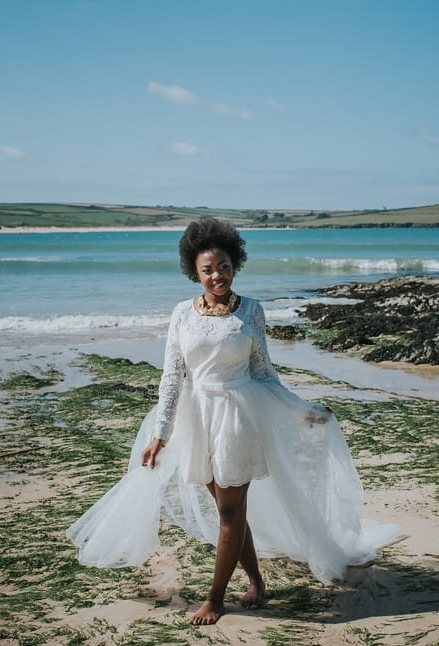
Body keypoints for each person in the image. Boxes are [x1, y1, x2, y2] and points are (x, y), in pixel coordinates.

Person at [67, 218, 401, 625]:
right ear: (195, 272)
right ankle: (257, 582)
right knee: (232, 511)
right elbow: (172, 377)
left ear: (235, 264)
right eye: (207, 269)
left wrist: (300, 409)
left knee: (228, 513)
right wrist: (160, 435)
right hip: (196, 418)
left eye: (223, 266)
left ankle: (215, 598)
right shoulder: (180, 314)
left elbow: (263, 374)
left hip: (237, 417)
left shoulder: (251, 311)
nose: (216, 275)